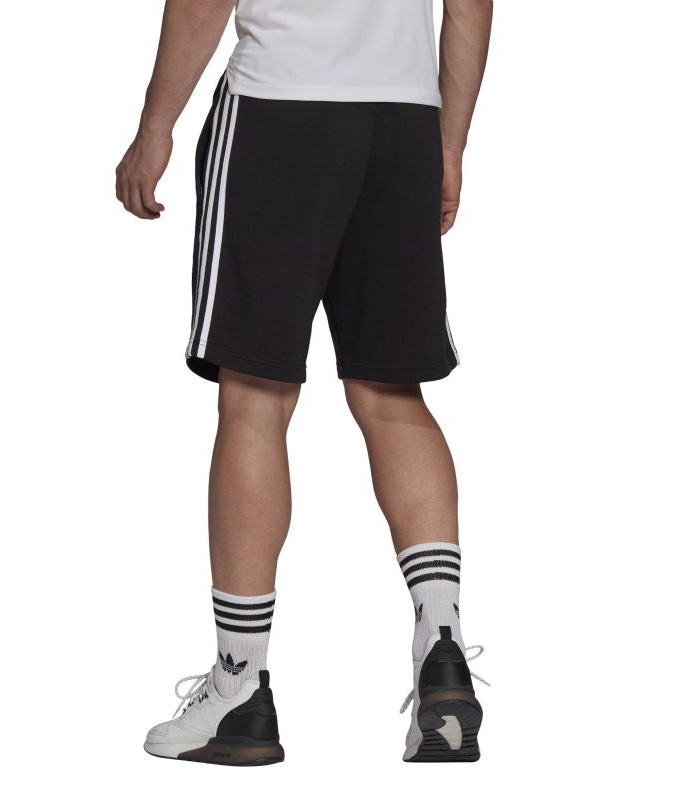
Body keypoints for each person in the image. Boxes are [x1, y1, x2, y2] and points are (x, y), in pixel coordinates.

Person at [116, 0, 493, 765]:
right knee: (392, 394)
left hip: (279, 108)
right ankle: (442, 650)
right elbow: (470, 4)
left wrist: (154, 127)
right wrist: (448, 143)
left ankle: (238, 687)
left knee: (255, 398)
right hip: (402, 119)